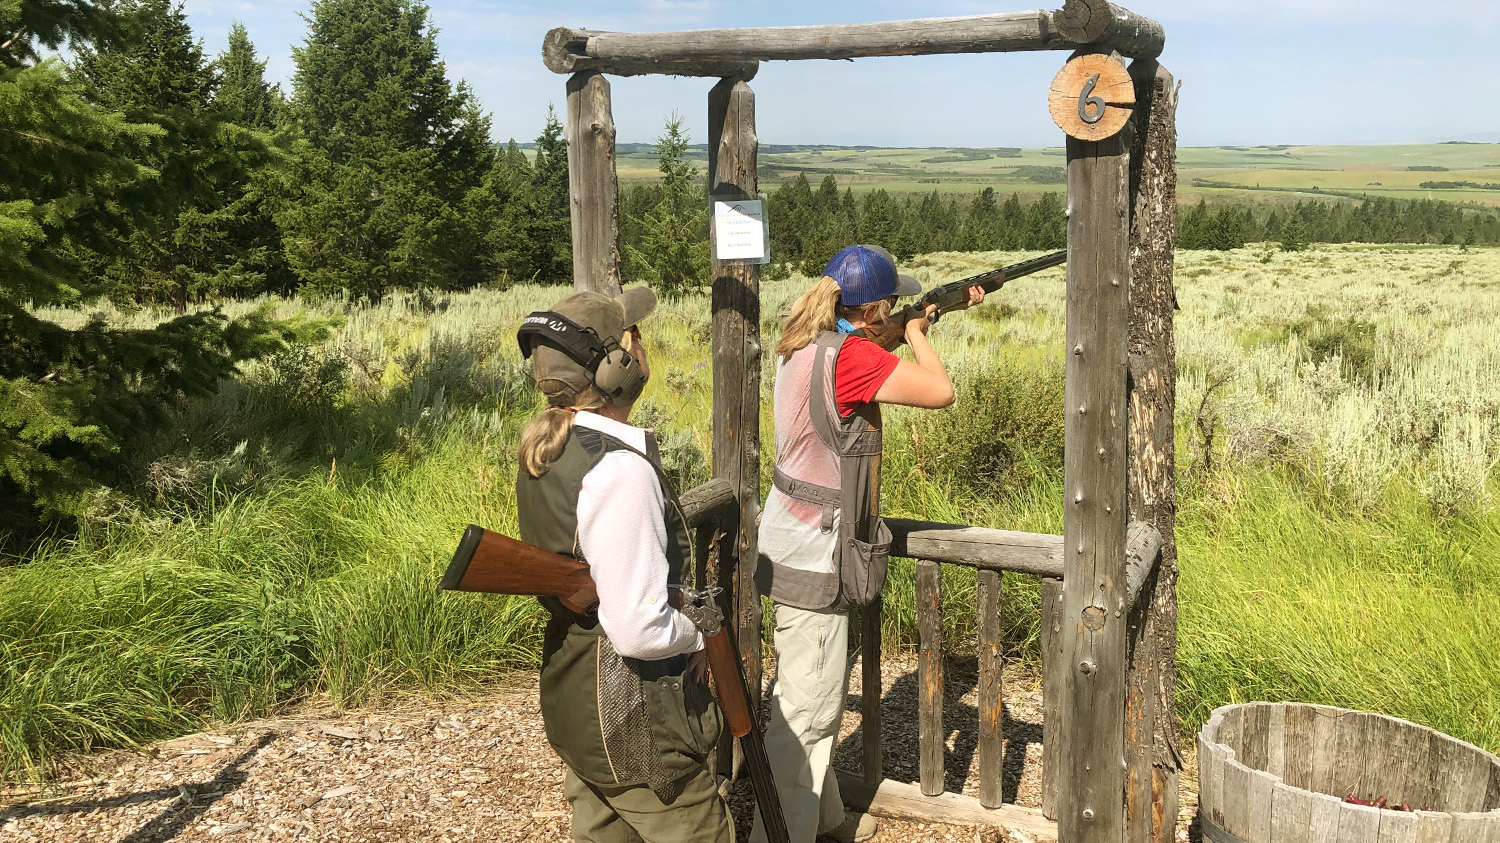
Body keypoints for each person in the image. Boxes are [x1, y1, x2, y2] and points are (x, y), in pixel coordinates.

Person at [751, 245, 983, 843]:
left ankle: (824, 818)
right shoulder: (851, 357)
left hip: (789, 538)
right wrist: (918, 332)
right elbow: (939, 390)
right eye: (895, 305)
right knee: (806, 711)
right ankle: (780, 833)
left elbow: (856, 369)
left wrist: (916, 325)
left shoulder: (810, 341)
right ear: (875, 308)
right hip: (815, 548)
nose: (901, 310)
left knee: (809, 687)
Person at [514, 287, 731, 843]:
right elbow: (638, 628)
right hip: (633, 720)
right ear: (613, 367)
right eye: (634, 339)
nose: (641, 348)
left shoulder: (552, 446)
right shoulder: (619, 470)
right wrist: (698, 631)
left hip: (578, 700)